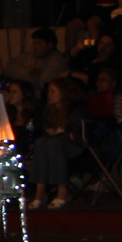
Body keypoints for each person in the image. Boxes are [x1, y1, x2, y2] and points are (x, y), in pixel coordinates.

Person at [27, 76, 85, 209]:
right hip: (54, 144)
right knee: (41, 142)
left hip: (75, 147)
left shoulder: (75, 110)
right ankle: (40, 191)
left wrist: (62, 134)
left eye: (53, 91)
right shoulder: (48, 110)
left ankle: (62, 190)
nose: (49, 95)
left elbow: (76, 135)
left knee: (54, 143)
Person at [5, 27, 71, 96]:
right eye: (34, 43)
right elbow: (8, 68)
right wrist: (28, 72)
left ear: (49, 45)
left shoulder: (58, 61)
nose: (35, 47)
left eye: (39, 44)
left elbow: (42, 82)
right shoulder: (29, 56)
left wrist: (21, 75)